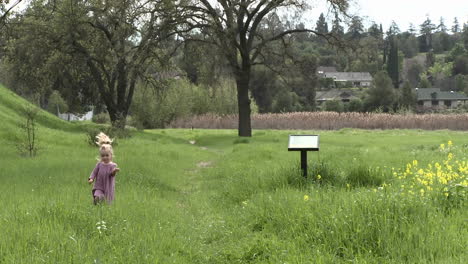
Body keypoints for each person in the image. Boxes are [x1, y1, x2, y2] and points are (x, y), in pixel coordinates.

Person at [88, 132, 120, 204]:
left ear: (111, 155)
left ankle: (100, 203)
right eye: (103, 156)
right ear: (100, 156)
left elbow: (111, 174)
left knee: (105, 200)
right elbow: (94, 172)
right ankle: (96, 201)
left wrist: (114, 171)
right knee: (97, 195)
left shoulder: (113, 165)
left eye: (106, 155)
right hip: (99, 186)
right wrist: (91, 179)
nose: (105, 157)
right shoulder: (99, 164)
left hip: (107, 187)